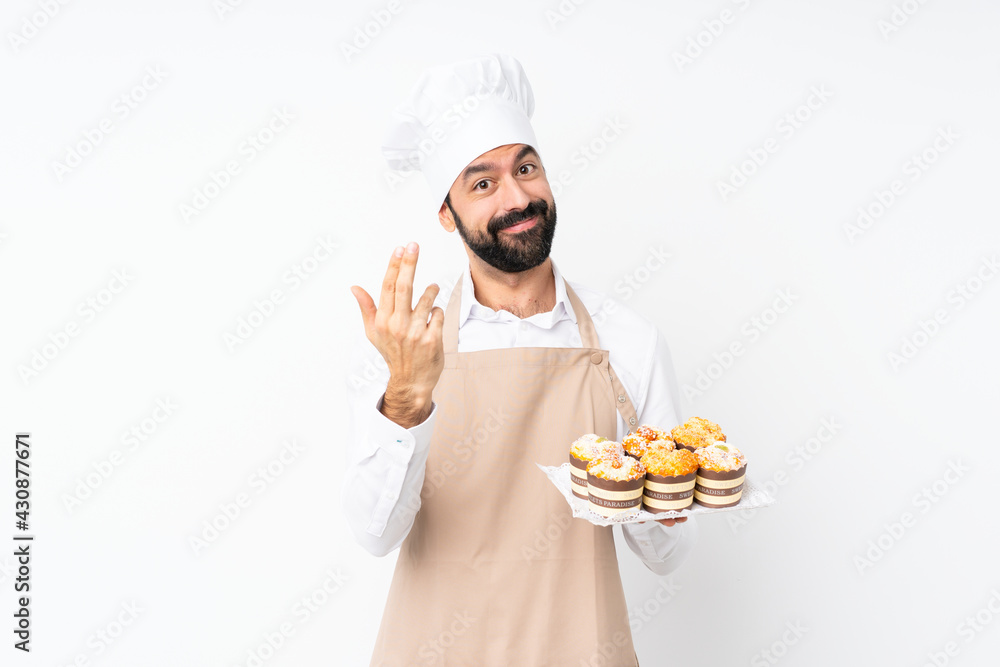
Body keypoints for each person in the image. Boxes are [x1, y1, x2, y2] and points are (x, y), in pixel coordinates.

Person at [343, 53, 697, 666]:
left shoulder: (629, 342)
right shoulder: (405, 351)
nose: (517, 197)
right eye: (482, 183)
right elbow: (374, 535)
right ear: (446, 215)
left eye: (526, 168)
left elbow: (667, 555)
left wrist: (645, 488)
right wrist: (406, 398)